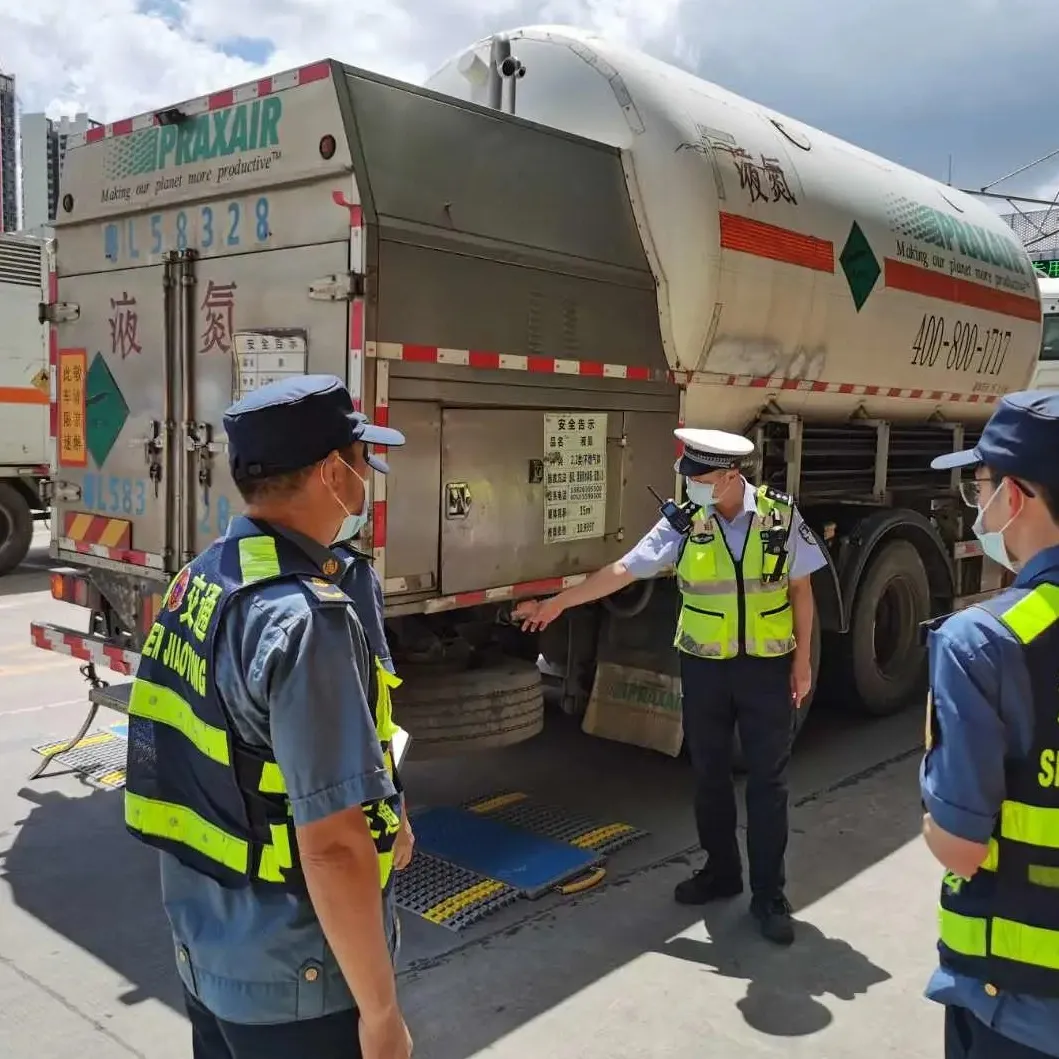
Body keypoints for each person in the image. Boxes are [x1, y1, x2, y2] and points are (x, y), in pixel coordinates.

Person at [122, 374, 414, 1059]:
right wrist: (381, 1015)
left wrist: (390, 807)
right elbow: (332, 844)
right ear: (330, 474)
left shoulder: (202, 578)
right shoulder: (306, 619)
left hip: (209, 952)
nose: (365, 480)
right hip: (298, 979)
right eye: (359, 461)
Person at [515, 427, 827, 944]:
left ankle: (770, 895)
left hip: (766, 669)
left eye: (700, 478)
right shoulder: (684, 524)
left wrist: (802, 663)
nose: (691, 487)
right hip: (705, 668)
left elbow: (802, 589)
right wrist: (556, 605)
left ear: (730, 476)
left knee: (768, 783)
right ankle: (721, 872)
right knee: (709, 775)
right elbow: (623, 570)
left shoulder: (780, 516)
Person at [922, 390, 1059, 1059]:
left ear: (1014, 494)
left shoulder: (981, 643)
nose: (977, 504)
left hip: (1019, 1008)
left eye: (978, 486)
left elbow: (959, 848)